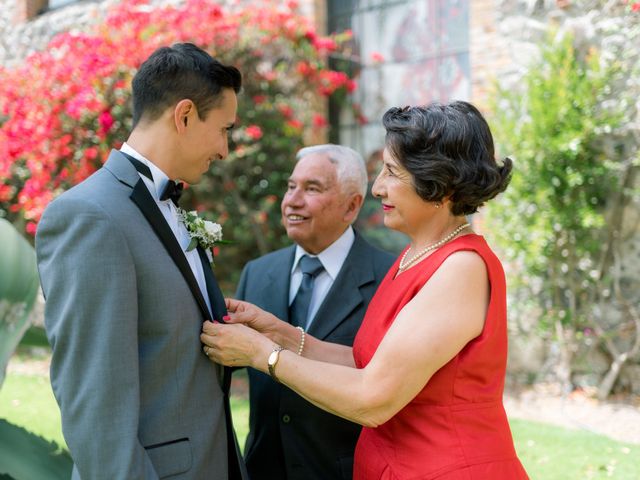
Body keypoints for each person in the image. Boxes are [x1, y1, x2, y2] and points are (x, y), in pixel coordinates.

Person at [202, 101, 530, 479]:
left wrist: (264, 355)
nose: (377, 188)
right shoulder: (414, 256)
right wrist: (282, 334)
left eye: (391, 172)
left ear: (438, 183)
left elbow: (372, 399)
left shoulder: (461, 268)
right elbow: (370, 362)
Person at [36, 43, 246, 479]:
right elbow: (94, 406)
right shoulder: (89, 216)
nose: (226, 149)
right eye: (224, 129)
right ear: (184, 115)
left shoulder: (167, 206)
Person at [235, 144, 394, 480]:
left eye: (312, 188)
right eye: (291, 186)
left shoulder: (389, 279)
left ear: (352, 206)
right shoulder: (257, 273)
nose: (292, 200)